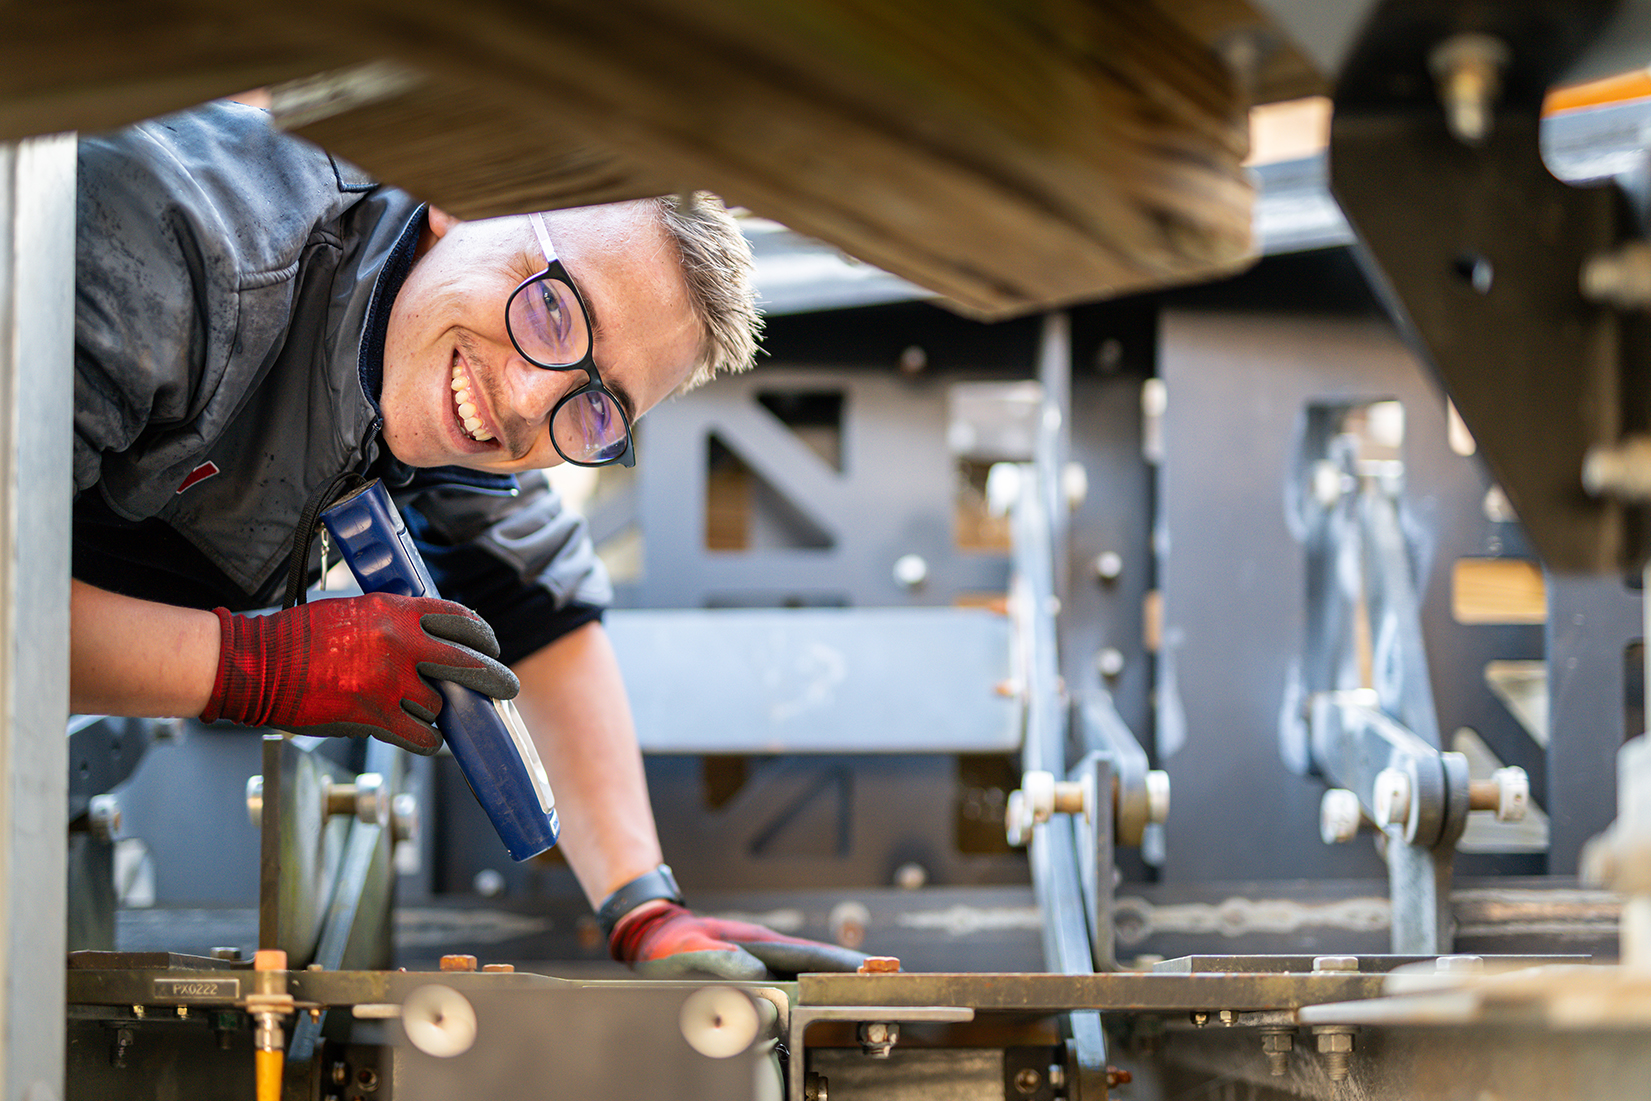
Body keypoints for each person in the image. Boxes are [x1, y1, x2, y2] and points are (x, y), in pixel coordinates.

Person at [69, 99, 866, 981]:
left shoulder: (446, 342)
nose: (527, 404)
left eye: (597, 404)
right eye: (557, 312)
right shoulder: (167, 241)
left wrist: (644, 906)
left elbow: (541, 611)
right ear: (467, 196)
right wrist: (252, 667)